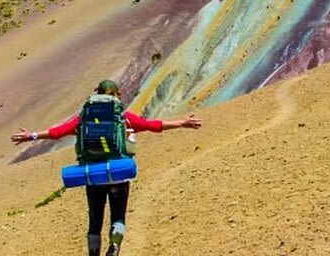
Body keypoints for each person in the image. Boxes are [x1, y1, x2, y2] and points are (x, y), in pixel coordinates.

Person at [11, 79, 202, 256]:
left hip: (92, 175)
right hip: (118, 174)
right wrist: (182, 123)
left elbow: (57, 132)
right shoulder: (123, 118)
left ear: (97, 94)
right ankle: (115, 245)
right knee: (117, 217)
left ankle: (94, 253)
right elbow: (153, 125)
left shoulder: (83, 118)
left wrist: (32, 136)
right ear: (117, 95)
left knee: (95, 222)